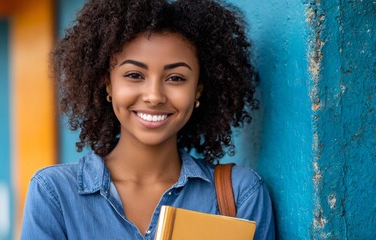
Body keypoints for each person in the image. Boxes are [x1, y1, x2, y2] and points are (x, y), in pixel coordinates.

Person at [21, 0, 275, 239]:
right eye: (134, 75)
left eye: (176, 78)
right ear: (108, 84)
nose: (154, 96)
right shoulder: (54, 193)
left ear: (197, 90)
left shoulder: (240, 194)